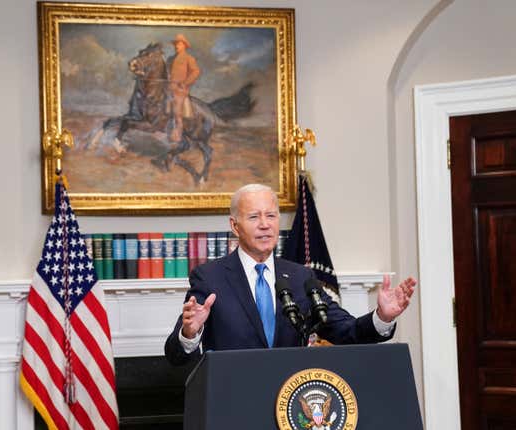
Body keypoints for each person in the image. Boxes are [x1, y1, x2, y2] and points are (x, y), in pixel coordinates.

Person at [164, 183, 416, 365]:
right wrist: (190, 333)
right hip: (233, 404)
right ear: (234, 226)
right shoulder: (210, 277)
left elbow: (346, 331)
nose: (265, 224)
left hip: (289, 404)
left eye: (271, 215)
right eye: (254, 216)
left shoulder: (299, 276)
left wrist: (382, 316)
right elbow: (175, 355)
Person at [167, 34, 200, 143]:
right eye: (176, 44)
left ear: (184, 45)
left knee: (177, 108)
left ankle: (177, 134)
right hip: (168, 88)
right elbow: (166, 72)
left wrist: (185, 83)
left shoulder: (188, 58)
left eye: (179, 44)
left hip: (180, 90)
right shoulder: (170, 59)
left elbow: (196, 72)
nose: (176, 46)